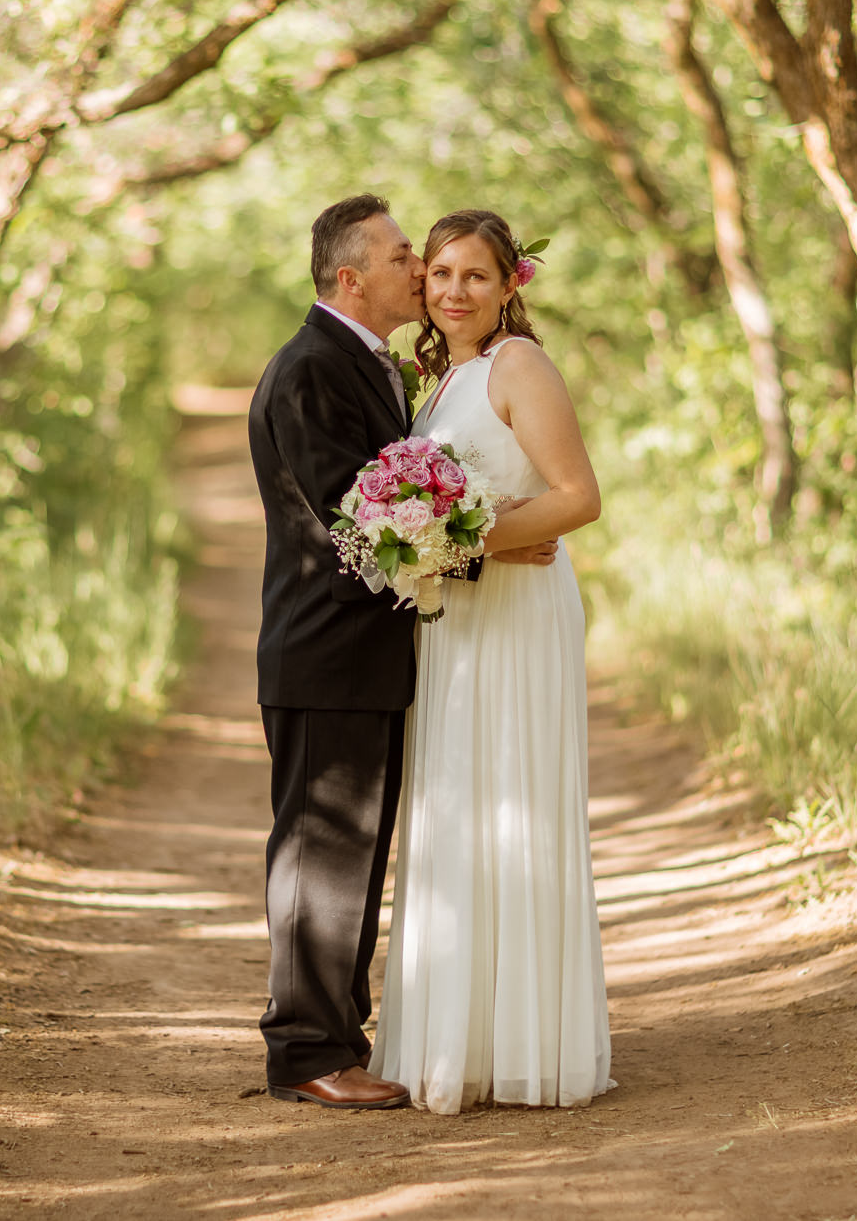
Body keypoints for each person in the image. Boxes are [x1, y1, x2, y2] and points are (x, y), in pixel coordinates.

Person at [247, 195, 556, 1109]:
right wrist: (484, 546)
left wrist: (480, 539)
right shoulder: (311, 368)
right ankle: (306, 1053)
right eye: (399, 257)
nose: (418, 272)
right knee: (319, 861)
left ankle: (341, 1037)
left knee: (354, 863)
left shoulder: (370, 365)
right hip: (325, 651)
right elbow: (362, 517)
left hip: (367, 655)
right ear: (352, 277)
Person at [369, 208, 613, 1115]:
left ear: (513, 283)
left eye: (475, 276)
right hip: (457, 616)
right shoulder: (438, 381)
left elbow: (578, 497)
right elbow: (432, 522)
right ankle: (456, 1037)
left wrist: (475, 542)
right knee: (456, 806)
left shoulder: (519, 365)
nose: (454, 293)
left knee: (510, 799)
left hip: (516, 616)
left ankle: (526, 1043)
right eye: (439, 276)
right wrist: (446, 546)